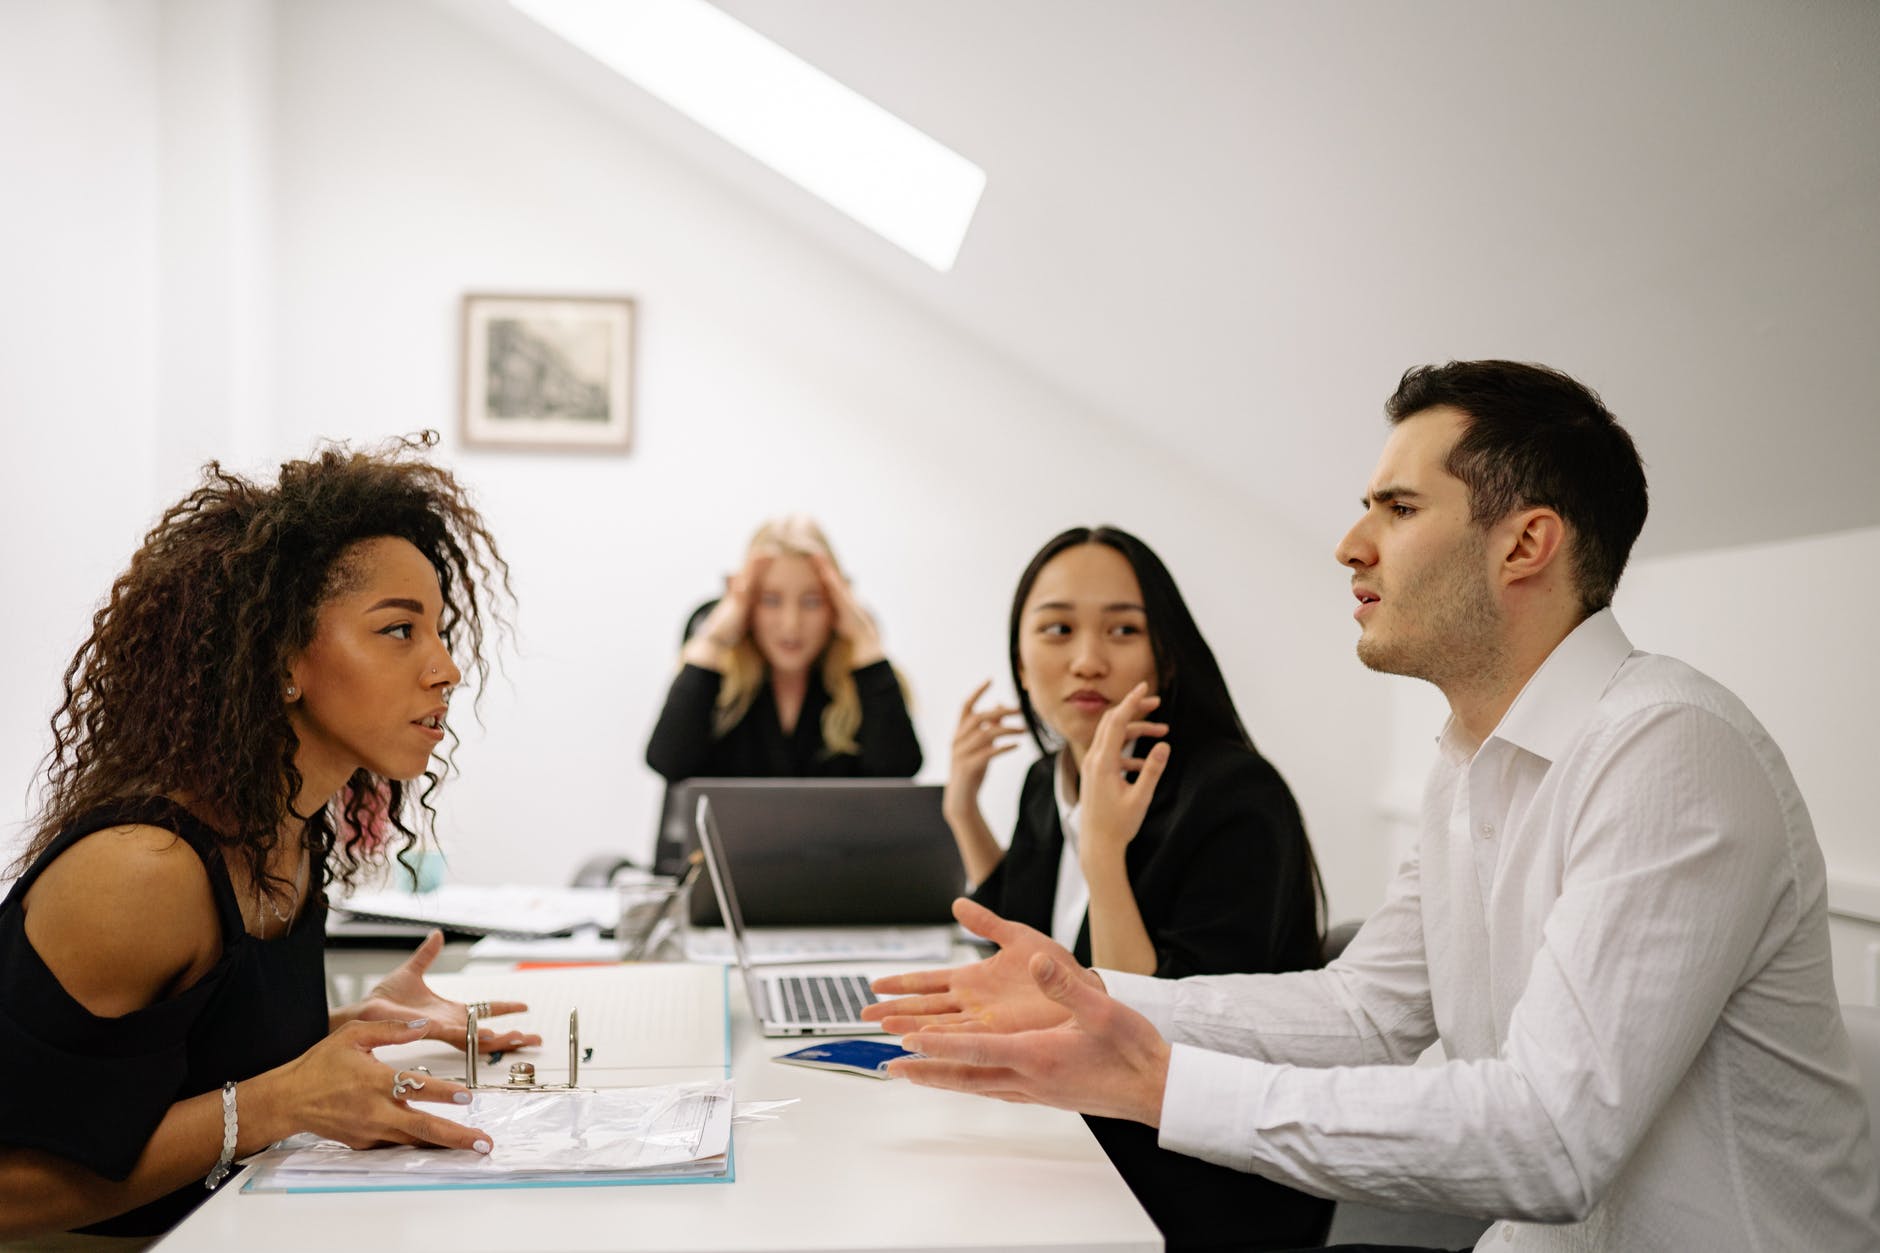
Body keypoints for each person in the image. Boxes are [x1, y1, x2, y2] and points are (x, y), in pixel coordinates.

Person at [866, 361, 1880, 1251]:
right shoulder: (1464, 766)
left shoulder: (1668, 748)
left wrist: (1157, 1080)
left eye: (1396, 508)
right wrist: (1085, 994)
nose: (1350, 544)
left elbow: (1548, 1137)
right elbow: (1364, 1011)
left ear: (1523, 542)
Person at [0, 435, 542, 1241]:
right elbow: (13, 1189)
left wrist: (351, 1025)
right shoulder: (143, 872)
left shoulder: (287, 830)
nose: (446, 668)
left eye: (438, 629)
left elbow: (170, 1070)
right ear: (284, 656)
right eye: (399, 630)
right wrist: (278, 1101)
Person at [941, 525, 1330, 1249]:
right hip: (1076, 1137)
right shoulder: (1047, 776)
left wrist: (1103, 853)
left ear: (1166, 655)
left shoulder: (1237, 797)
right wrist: (962, 808)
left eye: (1123, 629)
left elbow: (1149, 1038)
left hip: (1191, 1180)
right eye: (1057, 629)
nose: (1088, 660)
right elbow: (1019, 951)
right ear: (1021, 662)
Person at [644, 517, 921, 863]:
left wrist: (864, 639)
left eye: (812, 602)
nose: (791, 624)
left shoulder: (859, 681)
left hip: (837, 890)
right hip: (727, 889)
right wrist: (714, 639)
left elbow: (900, 772)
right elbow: (667, 760)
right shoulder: (718, 679)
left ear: (836, 605)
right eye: (771, 600)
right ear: (745, 604)